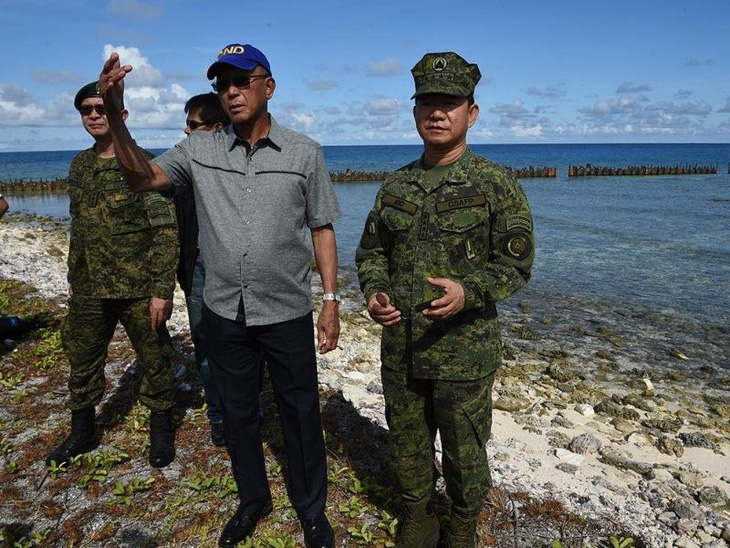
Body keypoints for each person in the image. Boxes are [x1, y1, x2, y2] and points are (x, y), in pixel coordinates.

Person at [98, 43, 340, 548]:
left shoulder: (304, 153)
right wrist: (118, 118)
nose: (229, 92)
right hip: (225, 310)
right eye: (220, 84)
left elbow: (321, 228)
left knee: (300, 412)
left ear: (267, 87)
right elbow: (142, 178)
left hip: (287, 309)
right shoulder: (199, 150)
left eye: (240, 81)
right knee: (237, 412)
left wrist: (332, 300)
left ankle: (311, 509)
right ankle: (252, 499)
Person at [355, 52, 535, 548]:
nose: (437, 113)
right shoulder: (395, 186)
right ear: (415, 112)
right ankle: (418, 517)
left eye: (449, 103)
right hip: (402, 349)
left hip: (464, 353)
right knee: (408, 444)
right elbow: (371, 254)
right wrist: (375, 294)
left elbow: (516, 263)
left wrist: (469, 292)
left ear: (470, 113)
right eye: (427, 103)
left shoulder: (496, 185)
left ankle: (460, 527)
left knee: (465, 451)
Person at [46, 81, 179, 469]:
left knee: (154, 360)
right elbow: (79, 224)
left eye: (100, 108)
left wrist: (161, 289)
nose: (93, 115)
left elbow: (165, 230)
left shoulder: (143, 164)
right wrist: (74, 273)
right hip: (89, 287)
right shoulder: (80, 166)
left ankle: (161, 429)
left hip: (138, 287)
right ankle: (82, 432)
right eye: (86, 109)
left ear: (120, 115)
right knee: (82, 358)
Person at [175, 93, 230, 446]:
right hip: (196, 268)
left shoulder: (237, 165)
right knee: (206, 345)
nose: (186, 131)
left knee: (244, 344)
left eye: (193, 125)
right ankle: (219, 415)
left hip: (232, 269)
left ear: (215, 128)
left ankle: (245, 407)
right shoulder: (181, 167)